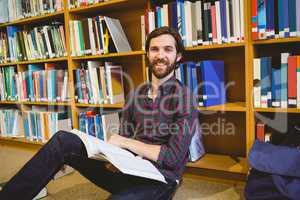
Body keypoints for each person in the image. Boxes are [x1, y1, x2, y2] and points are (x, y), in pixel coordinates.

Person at [0, 26, 199, 200]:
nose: (160, 55)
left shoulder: (186, 99)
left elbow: (172, 158)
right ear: (147, 54)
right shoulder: (136, 95)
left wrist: (125, 143)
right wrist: (114, 156)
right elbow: (125, 137)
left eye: (168, 49)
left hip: (160, 179)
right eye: (154, 49)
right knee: (63, 140)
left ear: (178, 56)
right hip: (128, 168)